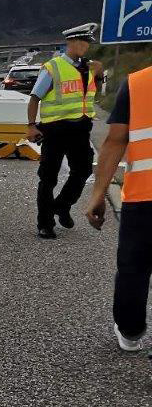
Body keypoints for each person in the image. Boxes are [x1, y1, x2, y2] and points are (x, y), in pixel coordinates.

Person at [86, 65, 152, 353]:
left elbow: (115, 141)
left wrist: (98, 195)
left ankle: (131, 330)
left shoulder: (138, 84)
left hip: (145, 197)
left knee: (134, 269)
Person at [27, 24, 104, 239]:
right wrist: (31, 125)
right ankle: (45, 223)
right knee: (48, 178)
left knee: (83, 170)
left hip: (80, 129)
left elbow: (93, 94)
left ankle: (62, 205)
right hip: (55, 131)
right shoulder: (54, 67)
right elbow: (35, 98)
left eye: (87, 42)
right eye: (80, 41)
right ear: (69, 42)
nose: (84, 46)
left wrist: (100, 73)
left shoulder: (89, 68)